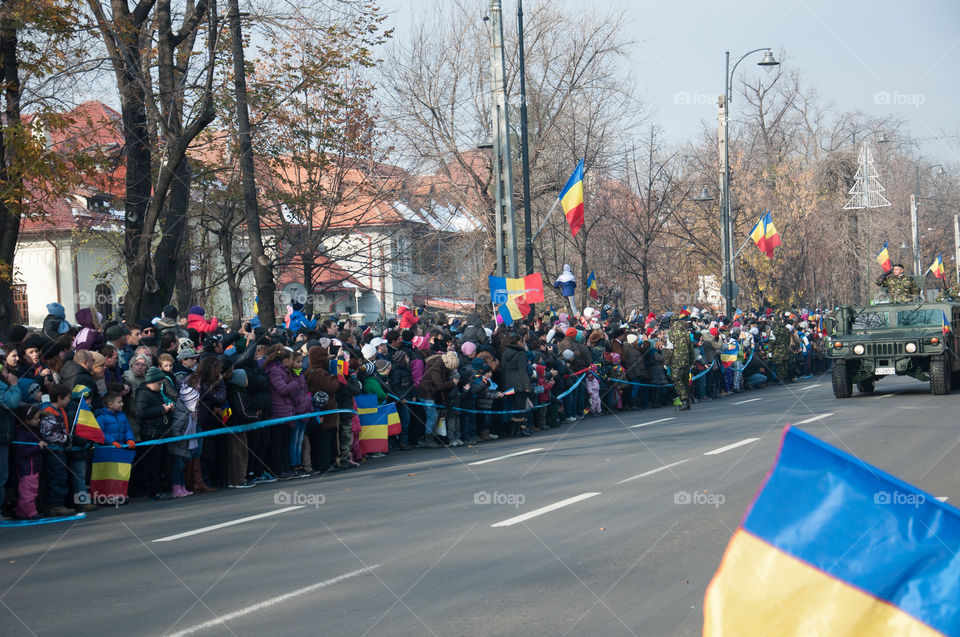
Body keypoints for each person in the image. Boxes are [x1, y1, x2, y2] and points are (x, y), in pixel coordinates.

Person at [13, 404, 44, 519]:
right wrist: (38, 447)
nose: (38, 420)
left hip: (33, 466)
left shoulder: (33, 430)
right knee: (28, 491)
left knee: (29, 489)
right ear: (27, 420)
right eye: (36, 418)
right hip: (27, 468)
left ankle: (21, 512)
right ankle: (31, 512)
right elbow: (21, 452)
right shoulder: (22, 433)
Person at [667, 317, 694, 411]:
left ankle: (684, 401)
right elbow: (691, 348)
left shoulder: (670, 332)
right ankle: (687, 400)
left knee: (677, 380)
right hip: (686, 360)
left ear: (671, 321)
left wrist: (666, 362)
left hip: (676, 361)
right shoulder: (685, 332)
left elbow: (669, 349)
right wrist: (691, 361)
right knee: (685, 380)